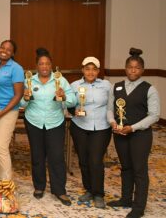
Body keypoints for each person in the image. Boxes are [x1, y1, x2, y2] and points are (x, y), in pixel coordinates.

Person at [106, 48, 160, 218]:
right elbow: (109, 109)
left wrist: (133, 127)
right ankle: (125, 199)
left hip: (140, 136)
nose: (133, 70)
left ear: (142, 70)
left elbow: (154, 115)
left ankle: (138, 207)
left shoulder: (149, 89)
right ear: (125, 68)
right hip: (120, 133)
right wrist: (113, 123)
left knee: (139, 170)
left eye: (137, 68)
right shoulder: (116, 87)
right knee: (126, 167)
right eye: (130, 67)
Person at [21, 48, 74, 206]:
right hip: (34, 121)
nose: (44, 66)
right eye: (41, 64)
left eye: (47, 63)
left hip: (55, 122)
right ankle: (39, 187)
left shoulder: (60, 80)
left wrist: (64, 97)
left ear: (52, 65)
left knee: (57, 157)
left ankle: (59, 190)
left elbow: (73, 100)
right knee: (37, 156)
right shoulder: (29, 80)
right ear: (36, 66)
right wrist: (25, 98)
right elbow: (21, 104)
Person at [69, 57, 112, 208]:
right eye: (87, 69)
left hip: (101, 127)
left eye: (94, 69)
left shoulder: (106, 85)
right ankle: (88, 189)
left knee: (95, 161)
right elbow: (68, 103)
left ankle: (98, 193)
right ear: (82, 70)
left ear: (98, 71)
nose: (90, 72)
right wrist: (72, 110)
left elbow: (113, 104)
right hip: (79, 126)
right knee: (83, 160)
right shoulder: (74, 85)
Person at [0, 40, 24, 186]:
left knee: (1, 148)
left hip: (7, 111)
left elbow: (18, 95)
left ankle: (7, 185)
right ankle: (1, 180)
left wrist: (1, 113)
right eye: (2, 47)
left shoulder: (16, 69)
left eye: (9, 49)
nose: (4, 51)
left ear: (13, 53)